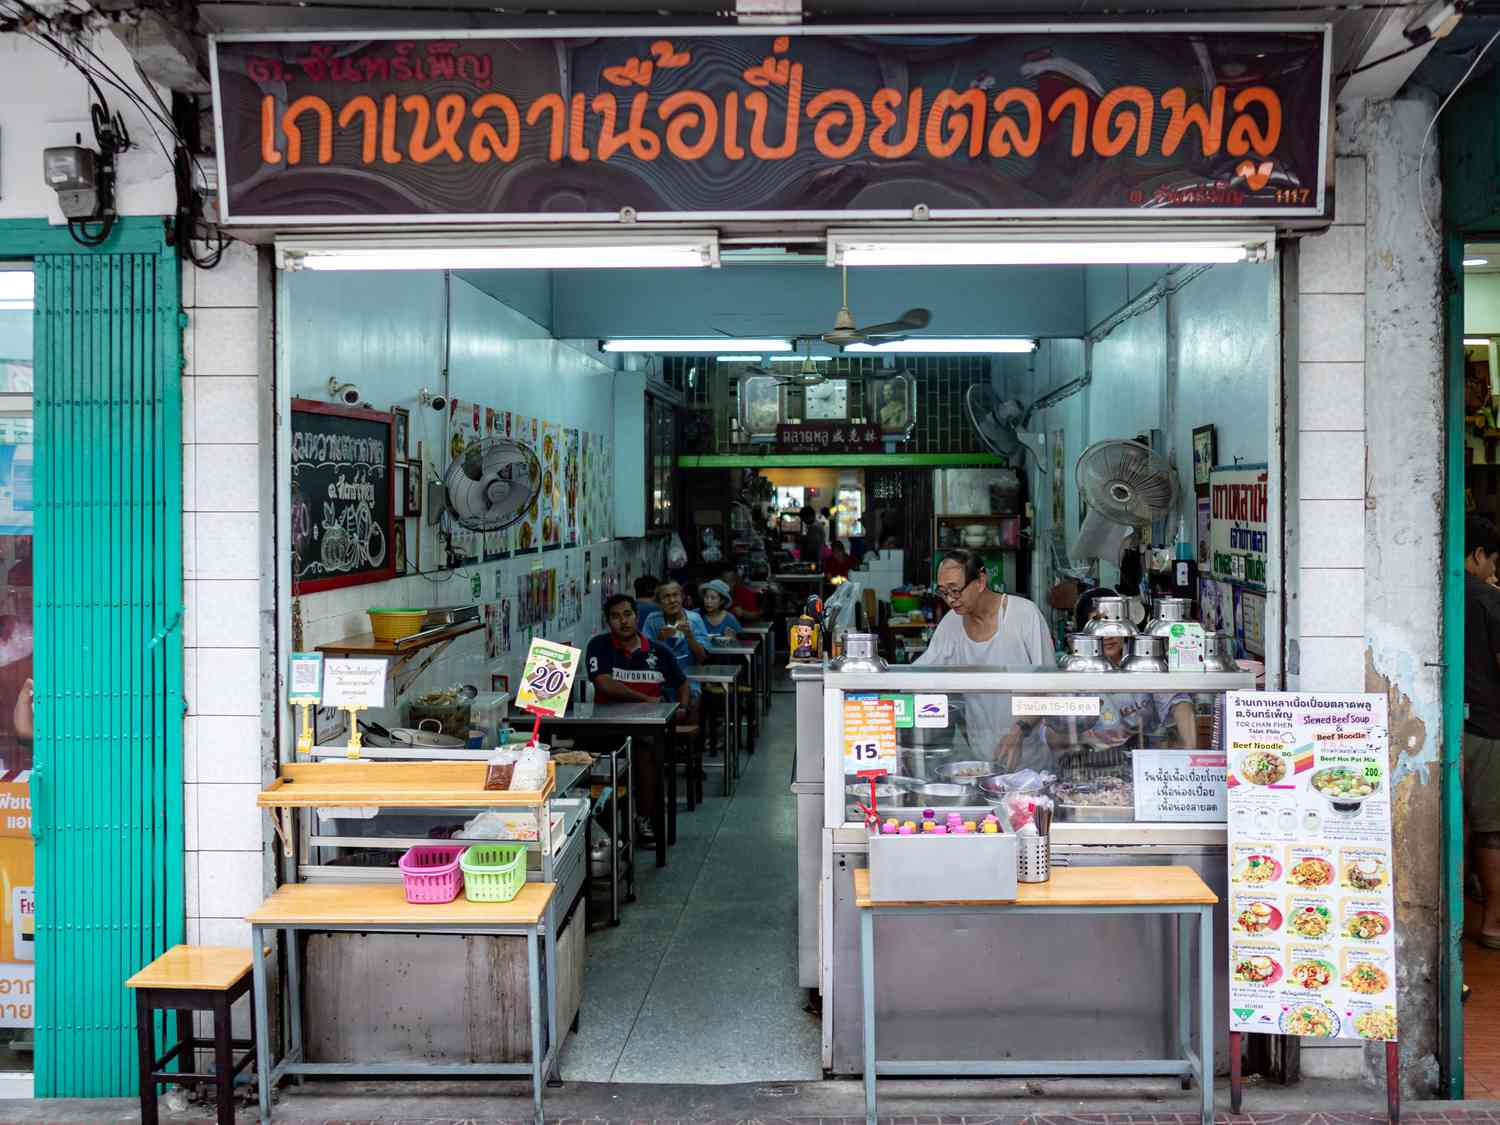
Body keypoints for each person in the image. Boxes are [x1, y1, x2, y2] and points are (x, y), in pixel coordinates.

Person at [915, 549, 1054, 768]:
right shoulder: (951, 625)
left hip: (1030, 757)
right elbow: (919, 677)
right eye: (943, 592)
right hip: (980, 759)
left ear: (980, 580)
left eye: (956, 590)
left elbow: (1048, 686)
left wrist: (1019, 731)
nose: (951, 599)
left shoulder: (1024, 615)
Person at [586, 594, 690, 847]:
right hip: (605, 728)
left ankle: (644, 819)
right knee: (593, 761)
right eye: (615, 616)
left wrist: (683, 707)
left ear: (637, 616)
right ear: (607, 621)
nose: (623, 621)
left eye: (627, 614)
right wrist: (645, 698)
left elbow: (682, 682)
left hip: (648, 730)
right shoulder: (599, 646)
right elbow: (604, 684)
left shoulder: (659, 651)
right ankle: (600, 826)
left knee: (645, 756)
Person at [1464, 515, 1500, 948]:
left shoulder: (1439, 592)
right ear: (1478, 554)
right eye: (1493, 560)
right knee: (1491, 828)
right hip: (1488, 727)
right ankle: (1493, 923)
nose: (1493, 570)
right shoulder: (1490, 602)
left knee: (1462, 824)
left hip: (1454, 724)